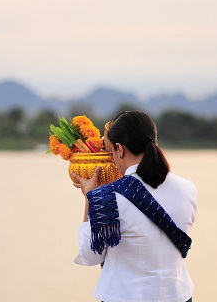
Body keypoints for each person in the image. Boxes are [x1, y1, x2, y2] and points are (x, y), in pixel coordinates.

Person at [71, 111, 197, 302]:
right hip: (178, 296)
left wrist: (90, 197)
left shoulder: (107, 197)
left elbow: (90, 255)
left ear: (120, 149)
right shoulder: (187, 188)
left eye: (111, 151)